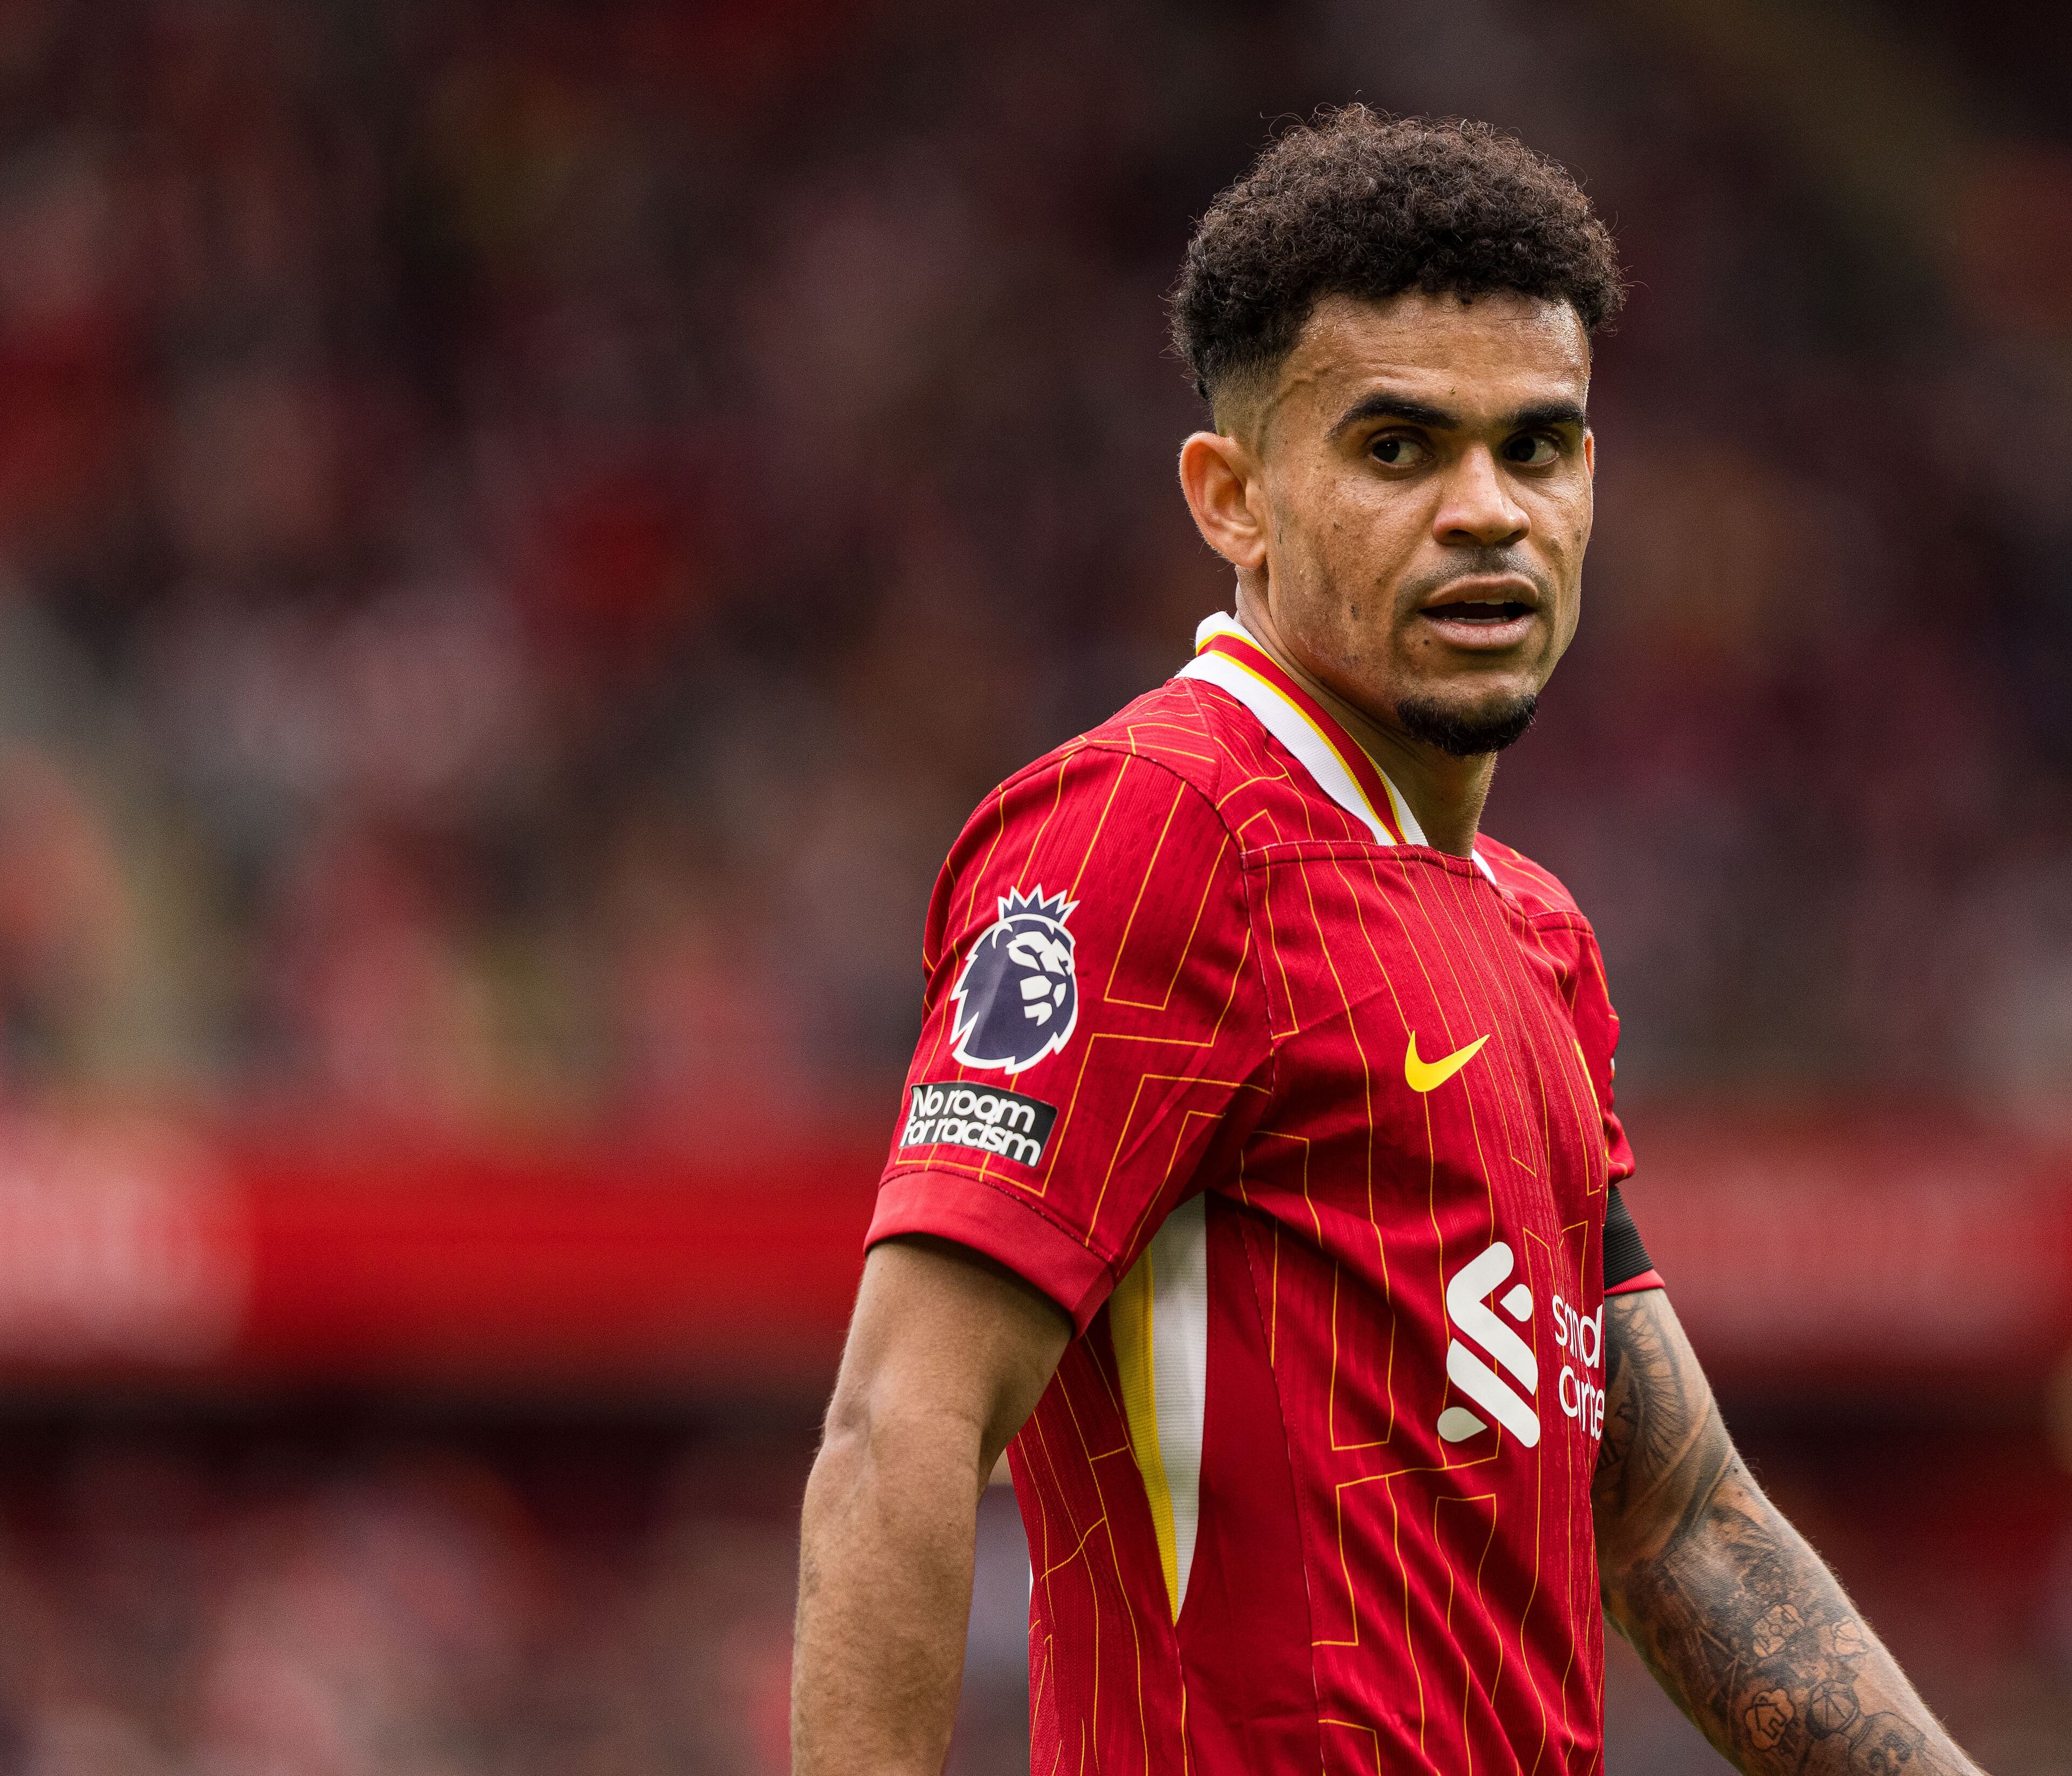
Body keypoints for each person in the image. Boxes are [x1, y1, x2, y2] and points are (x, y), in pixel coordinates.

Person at [791, 106, 1987, 1776]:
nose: (1489, 511)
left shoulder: (1533, 935)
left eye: (1540, 445)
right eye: (1399, 449)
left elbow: (1678, 1524)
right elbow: (896, 1428)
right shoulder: (1155, 831)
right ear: (1235, 499)